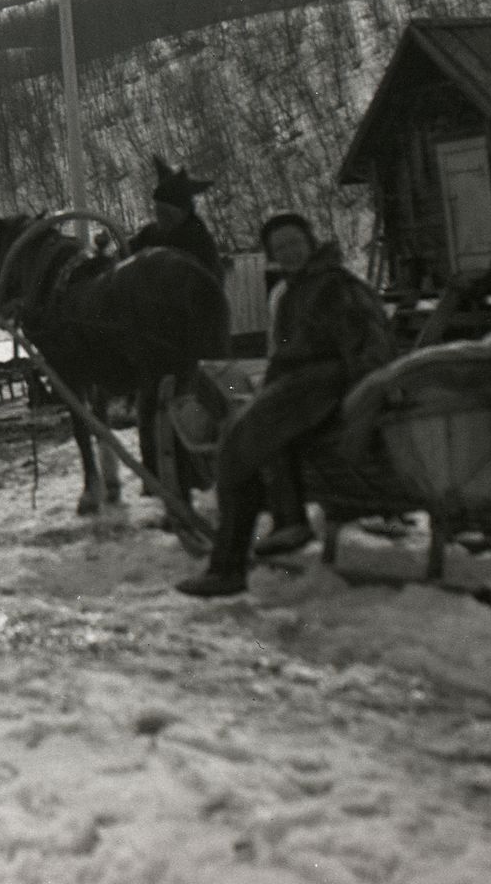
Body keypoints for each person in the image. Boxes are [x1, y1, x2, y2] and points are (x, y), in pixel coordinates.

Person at [177, 212, 398, 598]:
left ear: (310, 243)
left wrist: (365, 398)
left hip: (322, 385)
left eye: (294, 243)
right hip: (297, 386)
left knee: (235, 445)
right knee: (240, 424)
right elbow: (282, 353)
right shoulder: (296, 289)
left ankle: (229, 567)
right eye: (280, 248)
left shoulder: (335, 287)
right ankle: (287, 520)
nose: (289, 252)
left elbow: (369, 345)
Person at [130, 158, 225, 280]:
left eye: (166, 213)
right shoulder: (149, 235)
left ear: (184, 212)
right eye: (158, 211)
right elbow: (124, 256)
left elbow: (209, 286)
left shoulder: (199, 242)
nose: (161, 218)